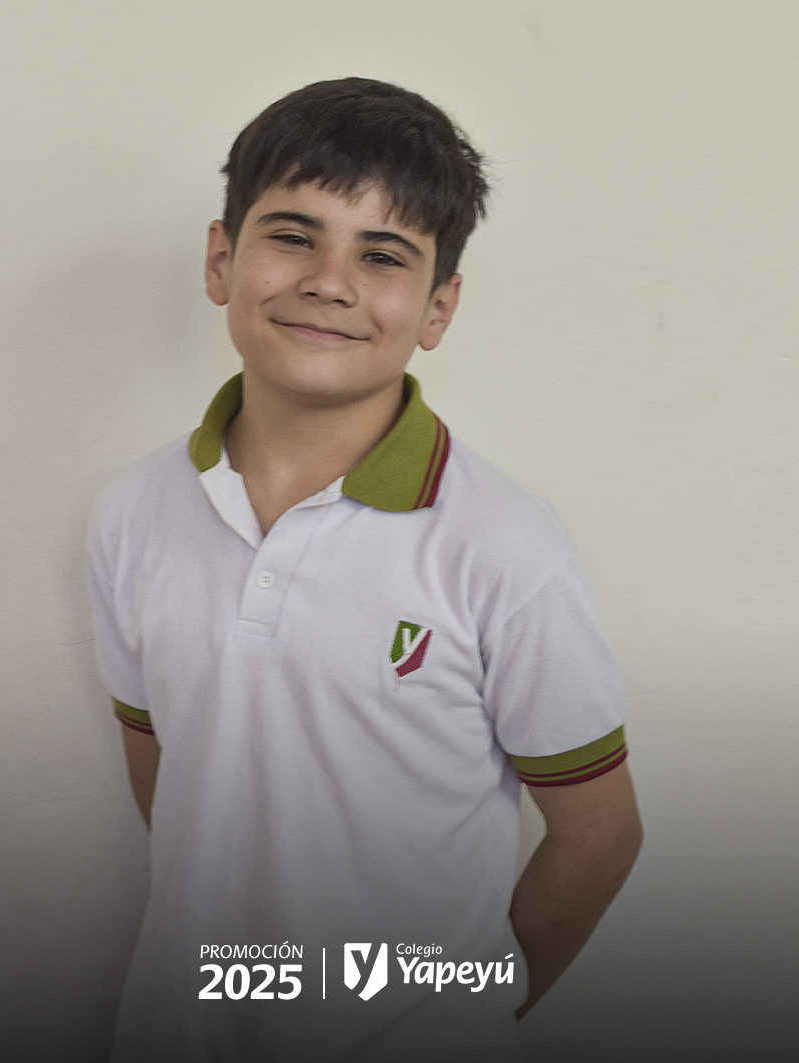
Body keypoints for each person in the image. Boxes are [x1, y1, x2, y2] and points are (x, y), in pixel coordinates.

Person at [87, 77, 642, 1062]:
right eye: (292, 236)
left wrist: (463, 1013)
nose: (329, 281)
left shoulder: (506, 545)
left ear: (438, 308)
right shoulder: (132, 510)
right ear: (221, 260)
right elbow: (165, 765)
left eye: (382, 255)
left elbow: (599, 835)